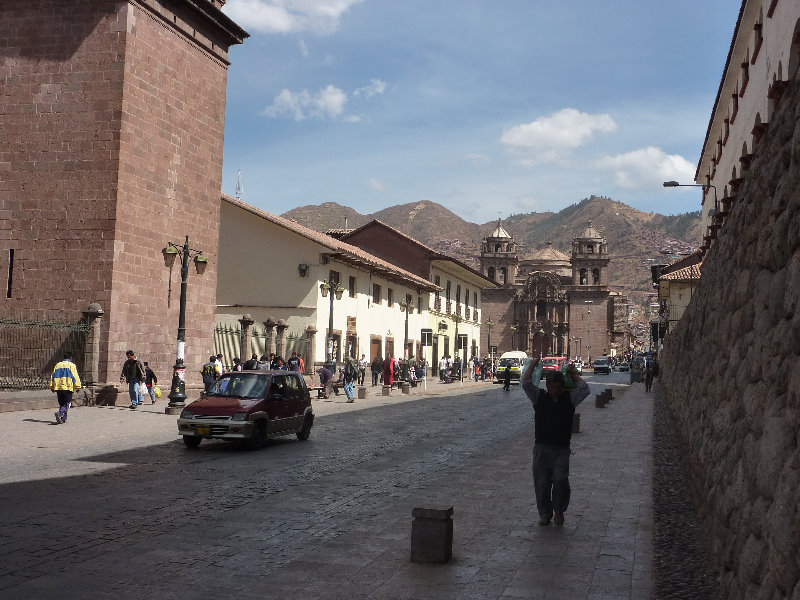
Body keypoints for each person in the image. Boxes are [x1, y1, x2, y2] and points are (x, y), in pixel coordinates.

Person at [521, 357, 589, 526]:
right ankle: (545, 513)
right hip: (542, 448)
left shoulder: (570, 399)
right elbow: (526, 383)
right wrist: (531, 365)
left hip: (561, 449)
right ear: (547, 386)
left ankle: (559, 510)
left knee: (560, 480)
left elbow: (585, 389)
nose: (555, 391)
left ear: (563, 387)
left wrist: (573, 374)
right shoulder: (539, 398)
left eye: (558, 388)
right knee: (542, 483)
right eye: (552, 388)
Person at [50, 351, 82, 424]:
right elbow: (75, 377)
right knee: (68, 403)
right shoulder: (71, 365)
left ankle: (63, 419)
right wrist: (78, 387)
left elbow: (53, 376)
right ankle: (60, 413)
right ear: (71, 358)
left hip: (58, 388)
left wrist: (52, 386)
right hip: (67, 387)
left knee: (62, 404)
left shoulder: (58, 365)